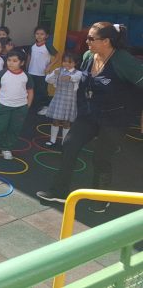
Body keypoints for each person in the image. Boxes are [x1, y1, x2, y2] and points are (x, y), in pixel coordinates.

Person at [37, 23, 143, 213]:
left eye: (91, 38)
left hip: (115, 118)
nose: (87, 41)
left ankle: (100, 199)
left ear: (106, 41)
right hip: (90, 113)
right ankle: (59, 192)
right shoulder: (88, 56)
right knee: (69, 145)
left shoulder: (122, 60)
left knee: (101, 158)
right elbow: (83, 82)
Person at [0, 51, 33, 161]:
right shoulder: (2, 73)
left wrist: (28, 104)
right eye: (9, 60)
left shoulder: (26, 76)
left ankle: (7, 148)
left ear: (22, 63)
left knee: (14, 129)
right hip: (4, 106)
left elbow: (30, 91)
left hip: (20, 107)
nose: (11, 63)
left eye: (15, 61)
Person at [44, 53, 82, 147]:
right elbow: (48, 80)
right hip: (58, 98)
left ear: (75, 63)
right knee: (55, 120)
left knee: (66, 122)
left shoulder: (77, 72)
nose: (67, 64)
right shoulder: (58, 70)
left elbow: (77, 78)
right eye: (65, 61)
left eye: (70, 62)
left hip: (69, 100)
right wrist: (54, 74)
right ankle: (52, 140)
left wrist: (69, 77)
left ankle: (64, 142)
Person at [26, 26, 60, 115]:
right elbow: (29, 57)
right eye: (37, 34)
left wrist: (50, 66)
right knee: (31, 90)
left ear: (46, 36)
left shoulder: (48, 46)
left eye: (42, 34)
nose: (39, 36)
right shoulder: (32, 46)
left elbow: (57, 56)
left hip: (42, 73)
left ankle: (45, 107)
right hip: (31, 72)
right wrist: (26, 68)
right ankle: (33, 107)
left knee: (42, 91)